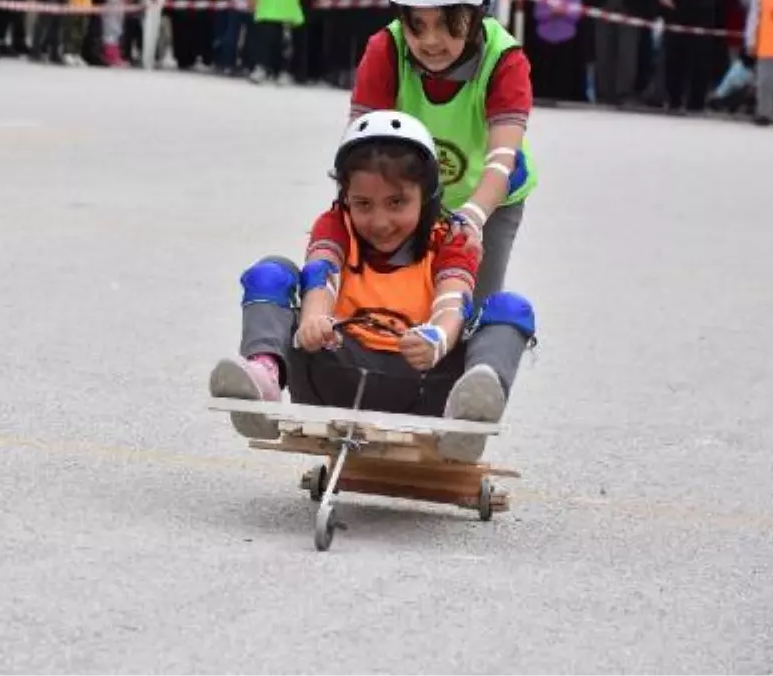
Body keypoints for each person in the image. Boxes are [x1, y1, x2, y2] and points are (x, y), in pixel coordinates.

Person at [208, 110, 537, 464]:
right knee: (271, 272)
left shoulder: (450, 239)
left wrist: (438, 339)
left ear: (426, 196)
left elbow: (452, 300)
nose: (380, 222)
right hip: (336, 372)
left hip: (422, 383)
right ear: (346, 197)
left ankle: (466, 422)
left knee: (511, 308)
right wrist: (314, 319)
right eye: (363, 204)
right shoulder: (336, 225)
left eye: (397, 203)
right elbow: (323, 275)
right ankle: (264, 381)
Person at [348, 0, 536, 308]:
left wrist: (473, 215)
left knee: (473, 308)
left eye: (448, 23)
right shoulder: (385, 48)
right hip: (409, 192)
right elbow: (360, 149)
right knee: (392, 299)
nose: (431, 40)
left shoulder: (505, 60)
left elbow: (501, 160)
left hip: (490, 197)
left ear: (476, 13)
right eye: (416, 24)